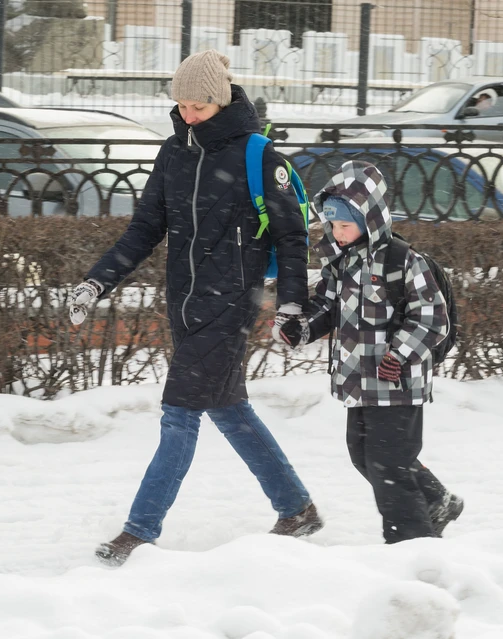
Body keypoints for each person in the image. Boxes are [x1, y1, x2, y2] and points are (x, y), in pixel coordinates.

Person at [67, 50, 322, 567]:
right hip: (182, 301)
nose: (187, 115)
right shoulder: (173, 153)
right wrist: (96, 282)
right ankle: (297, 509)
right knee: (230, 409)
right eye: (180, 104)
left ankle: (139, 530)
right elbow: (144, 229)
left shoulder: (257, 155)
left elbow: (293, 239)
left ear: (220, 101)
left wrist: (292, 306)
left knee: (179, 414)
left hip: (230, 304)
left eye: (198, 106)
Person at [273, 160, 464, 543]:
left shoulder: (402, 261)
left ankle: (412, 545)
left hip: (397, 381)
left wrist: (399, 354)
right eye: (333, 225)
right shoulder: (340, 263)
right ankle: (437, 500)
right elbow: (327, 308)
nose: (338, 233)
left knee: (388, 465)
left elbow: (432, 318)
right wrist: (302, 327)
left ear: (371, 218)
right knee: (364, 456)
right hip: (358, 381)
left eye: (346, 224)